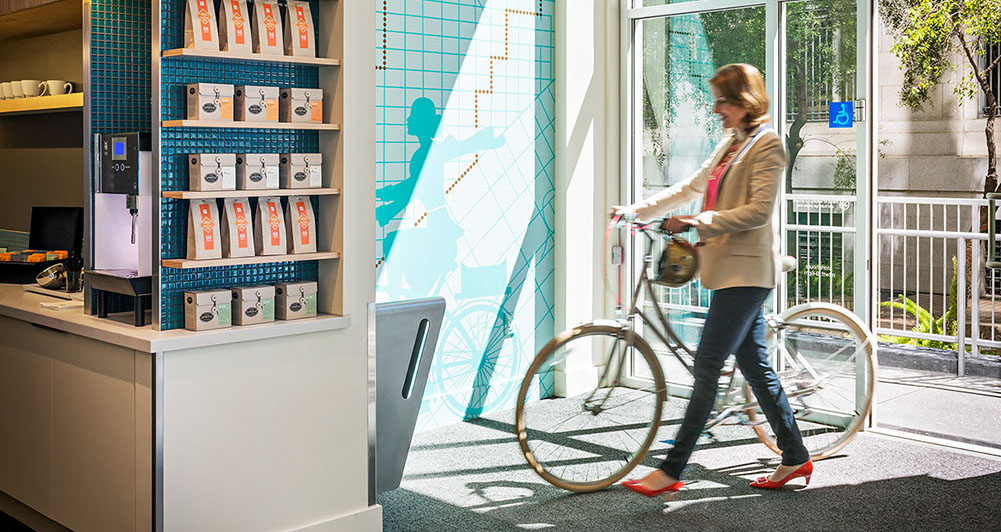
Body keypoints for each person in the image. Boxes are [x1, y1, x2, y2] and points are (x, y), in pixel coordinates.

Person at [613, 63, 812, 497]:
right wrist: (638, 210)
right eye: (717, 99)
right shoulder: (731, 143)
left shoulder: (769, 145)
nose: (716, 107)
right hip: (725, 272)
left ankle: (671, 468)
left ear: (745, 101)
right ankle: (796, 457)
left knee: (706, 366)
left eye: (723, 99)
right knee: (757, 368)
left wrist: (695, 222)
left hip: (747, 273)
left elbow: (758, 212)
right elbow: (690, 185)